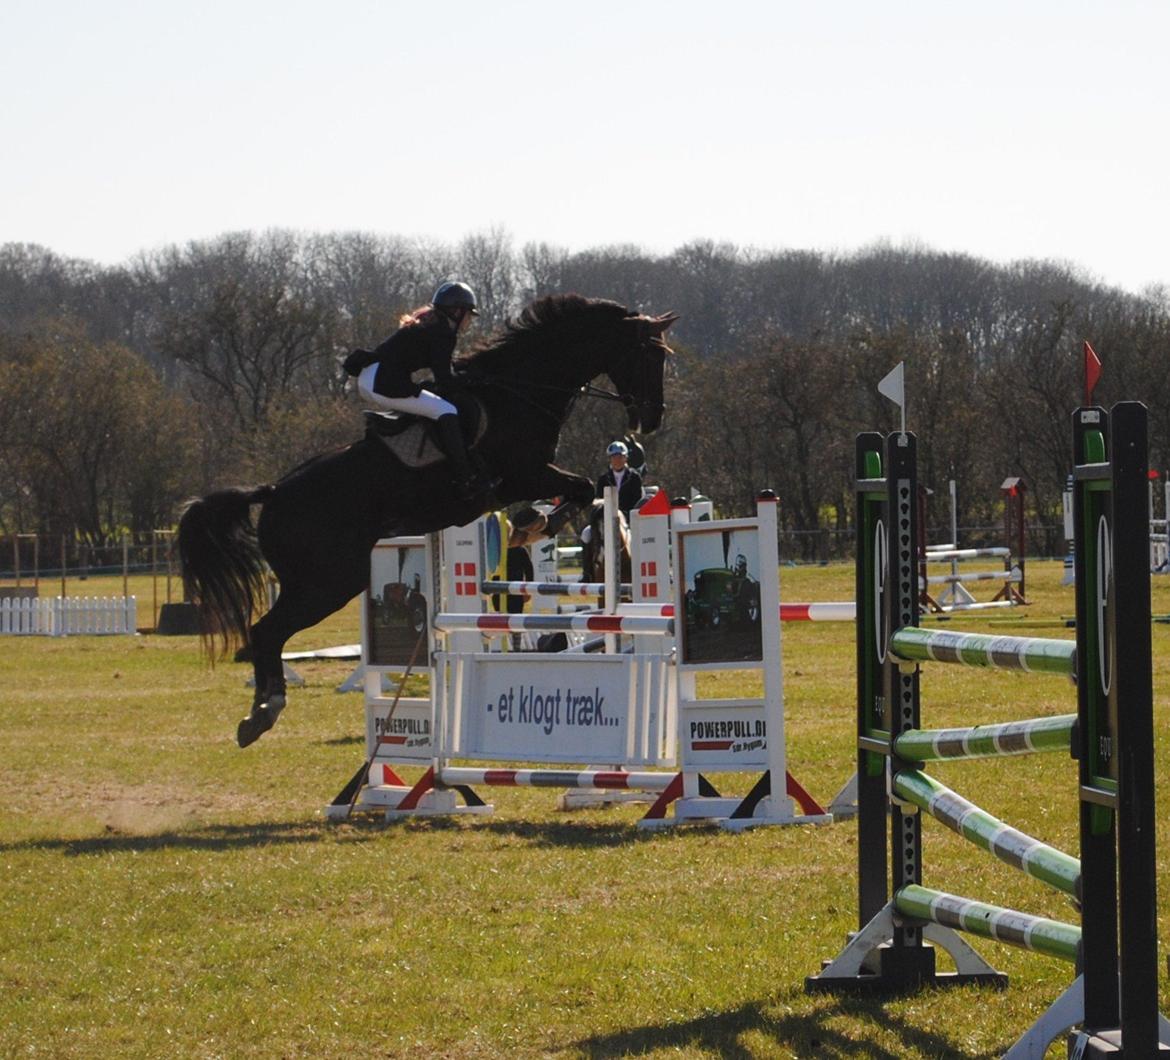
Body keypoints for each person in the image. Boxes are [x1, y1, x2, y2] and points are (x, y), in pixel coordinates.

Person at [343, 281, 493, 499]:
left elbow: (442, 372)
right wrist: (475, 381)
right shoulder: (443, 333)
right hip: (381, 383)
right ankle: (466, 477)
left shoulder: (429, 324)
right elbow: (445, 380)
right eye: (469, 315)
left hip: (371, 376)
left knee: (432, 399)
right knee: (447, 411)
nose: (469, 321)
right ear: (456, 311)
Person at [594, 440, 644, 517]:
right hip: (607, 519)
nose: (617, 461)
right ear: (610, 459)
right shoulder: (603, 479)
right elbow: (599, 500)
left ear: (626, 458)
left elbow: (637, 501)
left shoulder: (634, 477)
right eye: (614, 457)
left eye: (620, 457)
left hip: (630, 519)